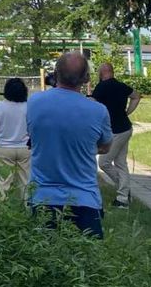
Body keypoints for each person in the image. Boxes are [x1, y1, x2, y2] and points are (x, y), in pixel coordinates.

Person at [26, 52, 112, 238]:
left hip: (42, 198)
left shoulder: (34, 103)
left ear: (55, 74)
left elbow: (34, 136)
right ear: (87, 78)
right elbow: (106, 147)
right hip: (85, 201)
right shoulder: (98, 111)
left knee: (43, 262)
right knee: (87, 263)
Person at [92, 63, 141, 208]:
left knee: (104, 162)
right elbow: (136, 96)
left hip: (114, 131)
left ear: (102, 72)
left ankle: (124, 192)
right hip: (126, 127)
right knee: (120, 163)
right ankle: (123, 198)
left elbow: (94, 107)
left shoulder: (101, 87)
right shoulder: (121, 86)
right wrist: (128, 112)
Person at [0, 77, 30, 199]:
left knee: (4, 181)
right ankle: (27, 206)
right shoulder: (29, 107)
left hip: (4, 149)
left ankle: (2, 207)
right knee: (26, 180)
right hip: (25, 148)